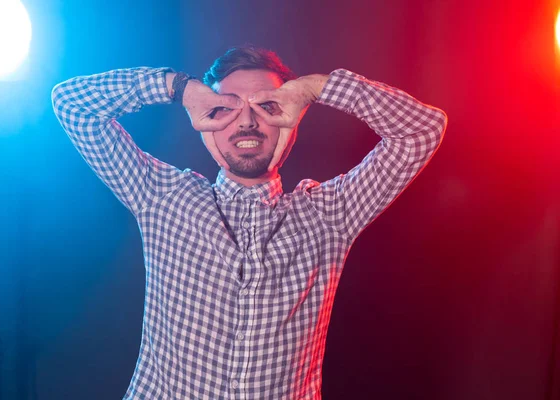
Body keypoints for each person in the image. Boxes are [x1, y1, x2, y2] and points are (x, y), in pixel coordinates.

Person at [52, 46, 447, 400]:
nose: (247, 122)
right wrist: (178, 89)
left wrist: (317, 89)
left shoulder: (332, 214)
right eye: (226, 107)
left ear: (292, 121)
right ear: (204, 117)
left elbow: (422, 131)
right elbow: (72, 105)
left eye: (268, 106)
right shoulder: (162, 198)